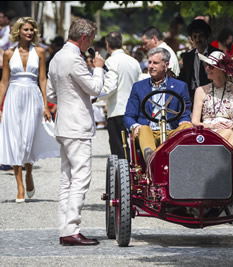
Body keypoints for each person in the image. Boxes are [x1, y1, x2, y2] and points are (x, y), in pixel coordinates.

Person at [47, 18, 105, 246]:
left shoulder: (57, 57)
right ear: (84, 38)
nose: (90, 44)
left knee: (67, 178)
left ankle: (65, 227)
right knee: (80, 178)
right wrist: (98, 69)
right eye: (90, 40)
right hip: (77, 126)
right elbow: (94, 88)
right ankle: (71, 229)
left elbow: (51, 95)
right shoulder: (74, 59)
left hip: (63, 123)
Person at [0, 17, 59, 202]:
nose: (29, 32)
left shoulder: (40, 51)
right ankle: (19, 185)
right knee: (15, 140)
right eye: (26, 29)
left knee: (28, 139)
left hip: (33, 97)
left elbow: (42, 79)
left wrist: (46, 105)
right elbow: (4, 82)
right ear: (19, 31)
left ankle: (29, 173)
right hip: (13, 97)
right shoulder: (8, 53)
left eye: (32, 30)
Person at [124, 47, 192, 163]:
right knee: (143, 128)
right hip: (148, 132)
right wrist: (135, 126)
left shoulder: (180, 86)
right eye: (149, 62)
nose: (151, 66)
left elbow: (185, 113)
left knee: (188, 127)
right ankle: (153, 161)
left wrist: (184, 120)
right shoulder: (138, 87)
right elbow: (128, 116)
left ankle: (172, 160)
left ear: (166, 65)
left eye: (155, 63)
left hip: (171, 132)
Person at [98, 32, 142, 160]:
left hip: (117, 110)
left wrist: (95, 97)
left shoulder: (110, 61)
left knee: (119, 149)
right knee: (134, 147)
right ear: (121, 43)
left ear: (107, 45)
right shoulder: (134, 61)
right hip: (134, 110)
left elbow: (110, 87)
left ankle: (123, 178)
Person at [191, 51, 233, 150]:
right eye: (206, 65)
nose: (207, 68)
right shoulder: (201, 90)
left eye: (211, 66)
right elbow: (195, 122)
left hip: (232, 131)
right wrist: (212, 126)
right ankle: (228, 156)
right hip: (208, 131)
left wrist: (232, 126)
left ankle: (228, 153)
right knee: (227, 132)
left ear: (222, 70)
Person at [178, 19, 221, 104]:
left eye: (201, 36)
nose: (198, 40)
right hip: (192, 98)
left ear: (206, 36)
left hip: (213, 97)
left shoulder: (217, 54)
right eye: (194, 36)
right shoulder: (188, 57)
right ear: (191, 39)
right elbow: (183, 78)